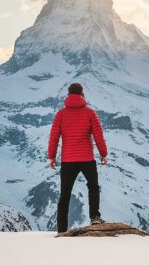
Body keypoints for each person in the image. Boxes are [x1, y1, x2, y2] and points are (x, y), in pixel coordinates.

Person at [48, 82, 108, 233]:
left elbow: (54, 137)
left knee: (65, 194)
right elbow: (98, 135)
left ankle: (62, 229)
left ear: (68, 95)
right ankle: (95, 217)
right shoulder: (90, 113)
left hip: (68, 160)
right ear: (82, 94)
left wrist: (52, 157)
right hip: (87, 158)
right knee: (93, 187)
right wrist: (104, 154)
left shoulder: (60, 114)